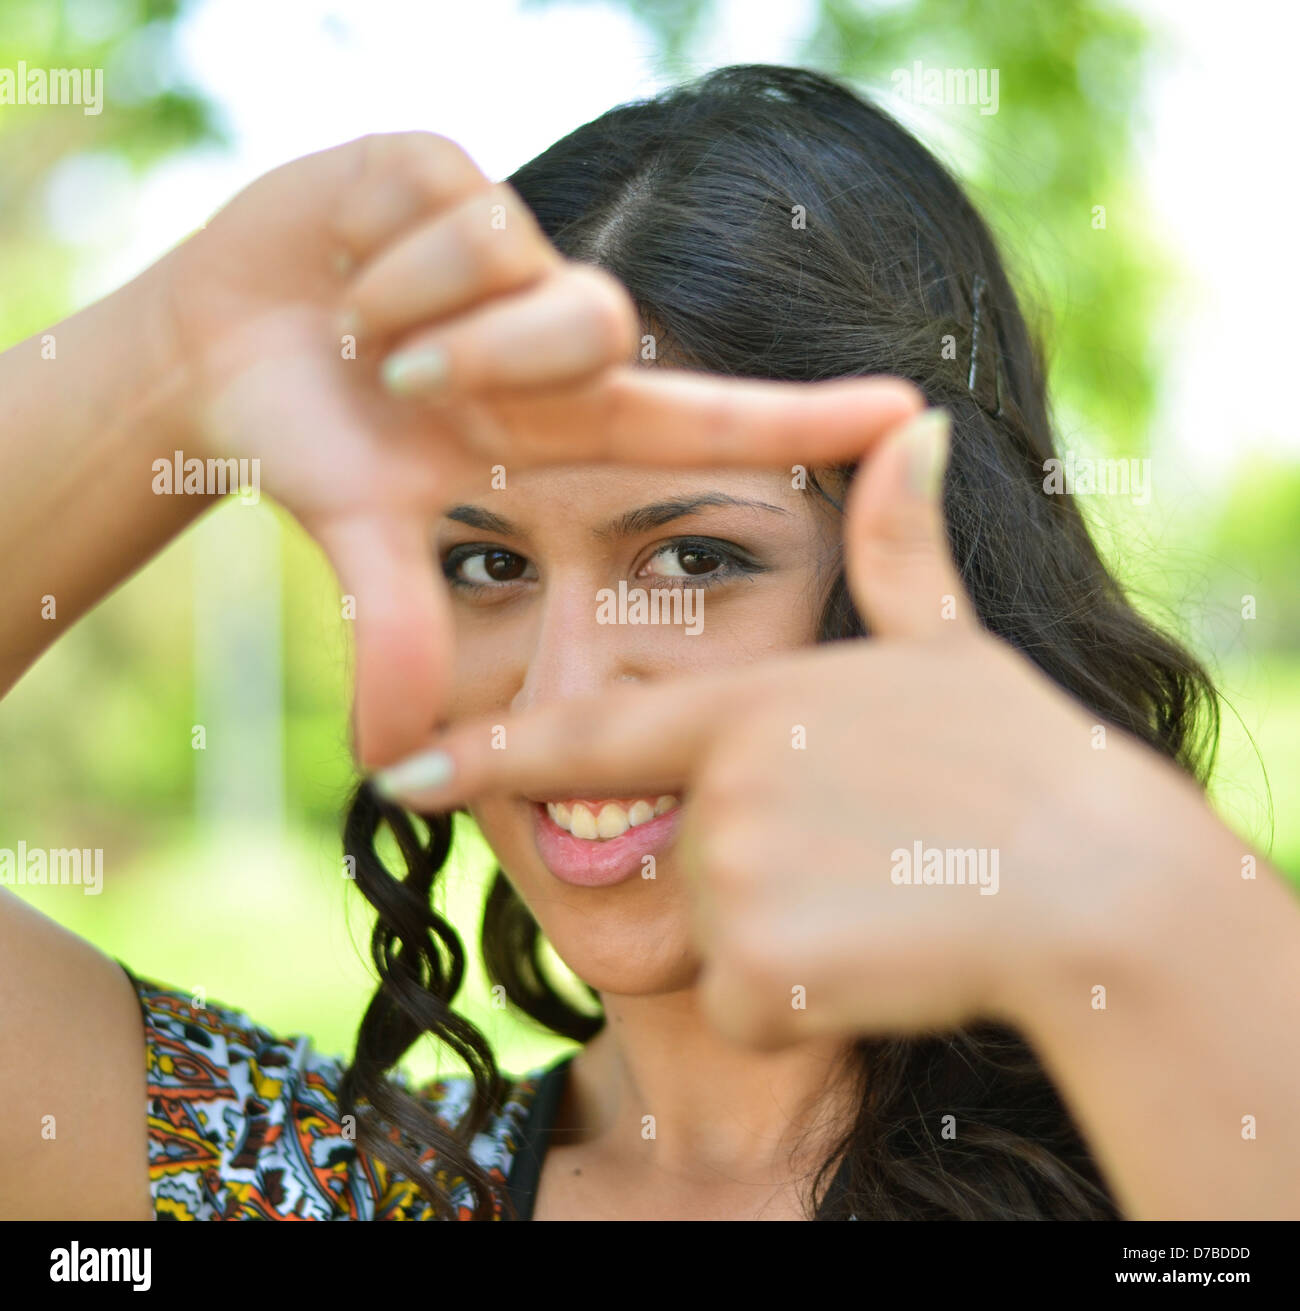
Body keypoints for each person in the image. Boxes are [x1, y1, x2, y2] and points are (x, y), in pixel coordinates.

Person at [1, 64, 1295, 1222]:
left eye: (690, 561)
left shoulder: (1177, 1159)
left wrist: (1147, 902)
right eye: (489, 566)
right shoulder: (339, 1188)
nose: (561, 689)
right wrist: (176, 348)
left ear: (940, 566)